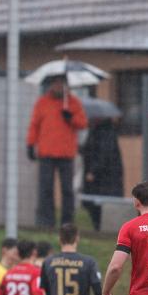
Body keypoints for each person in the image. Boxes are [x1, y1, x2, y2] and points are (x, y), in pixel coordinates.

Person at [26, 74, 88, 228]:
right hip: (46, 152)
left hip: (66, 153)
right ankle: (46, 222)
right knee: (45, 189)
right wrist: (30, 144)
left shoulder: (73, 103)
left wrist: (70, 118)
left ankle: (67, 222)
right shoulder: (42, 102)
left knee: (67, 190)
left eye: (62, 84)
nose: (59, 87)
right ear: (51, 85)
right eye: (56, 84)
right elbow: (35, 125)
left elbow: (83, 123)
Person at [81, 117, 124, 231]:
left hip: (102, 179)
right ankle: (98, 228)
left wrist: (93, 171)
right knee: (97, 205)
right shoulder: (99, 131)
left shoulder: (104, 133)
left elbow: (103, 155)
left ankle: (99, 228)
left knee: (98, 206)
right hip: (102, 180)